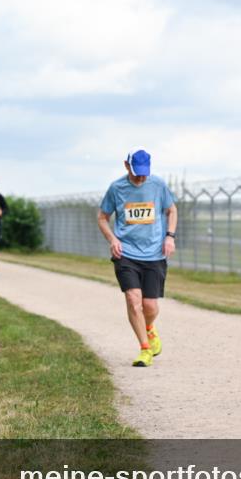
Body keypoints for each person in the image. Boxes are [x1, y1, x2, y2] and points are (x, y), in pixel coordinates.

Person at [97, 148, 178, 367]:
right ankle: (144, 349)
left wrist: (169, 236)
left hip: (154, 254)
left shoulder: (158, 185)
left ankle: (149, 328)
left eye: (144, 173)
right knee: (134, 300)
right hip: (126, 254)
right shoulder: (116, 188)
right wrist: (113, 239)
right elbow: (103, 217)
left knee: (150, 306)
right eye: (136, 173)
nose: (141, 177)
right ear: (126, 166)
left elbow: (172, 210)